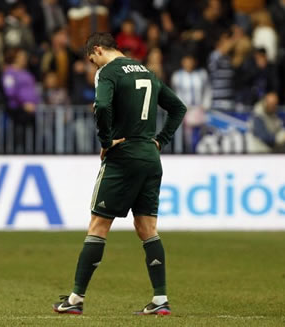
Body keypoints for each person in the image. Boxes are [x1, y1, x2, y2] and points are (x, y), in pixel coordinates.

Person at [52, 32, 186, 315]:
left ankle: (75, 300)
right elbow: (178, 108)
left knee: (98, 226)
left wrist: (105, 141)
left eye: (92, 61)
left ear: (98, 50)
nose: (93, 67)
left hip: (122, 156)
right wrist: (161, 139)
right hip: (150, 157)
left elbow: (101, 106)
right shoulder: (146, 71)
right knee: (147, 229)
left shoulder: (107, 72)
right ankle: (161, 300)